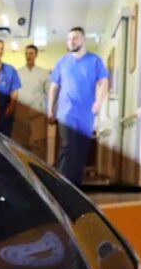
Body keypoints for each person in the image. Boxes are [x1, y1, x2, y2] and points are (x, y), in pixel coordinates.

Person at [47, 25, 112, 187]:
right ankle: (62, 185)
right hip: (66, 112)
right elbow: (54, 87)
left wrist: (98, 101)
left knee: (81, 150)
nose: (71, 41)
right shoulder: (62, 62)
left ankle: (75, 186)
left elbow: (104, 81)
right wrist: (50, 109)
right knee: (68, 146)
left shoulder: (94, 61)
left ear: (83, 39)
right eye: (69, 39)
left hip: (86, 114)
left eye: (75, 38)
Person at [0, 38, 23, 133]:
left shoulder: (10, 70)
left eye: (1, 49)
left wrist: (10, 109)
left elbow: (15, 93)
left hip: (5, 111)